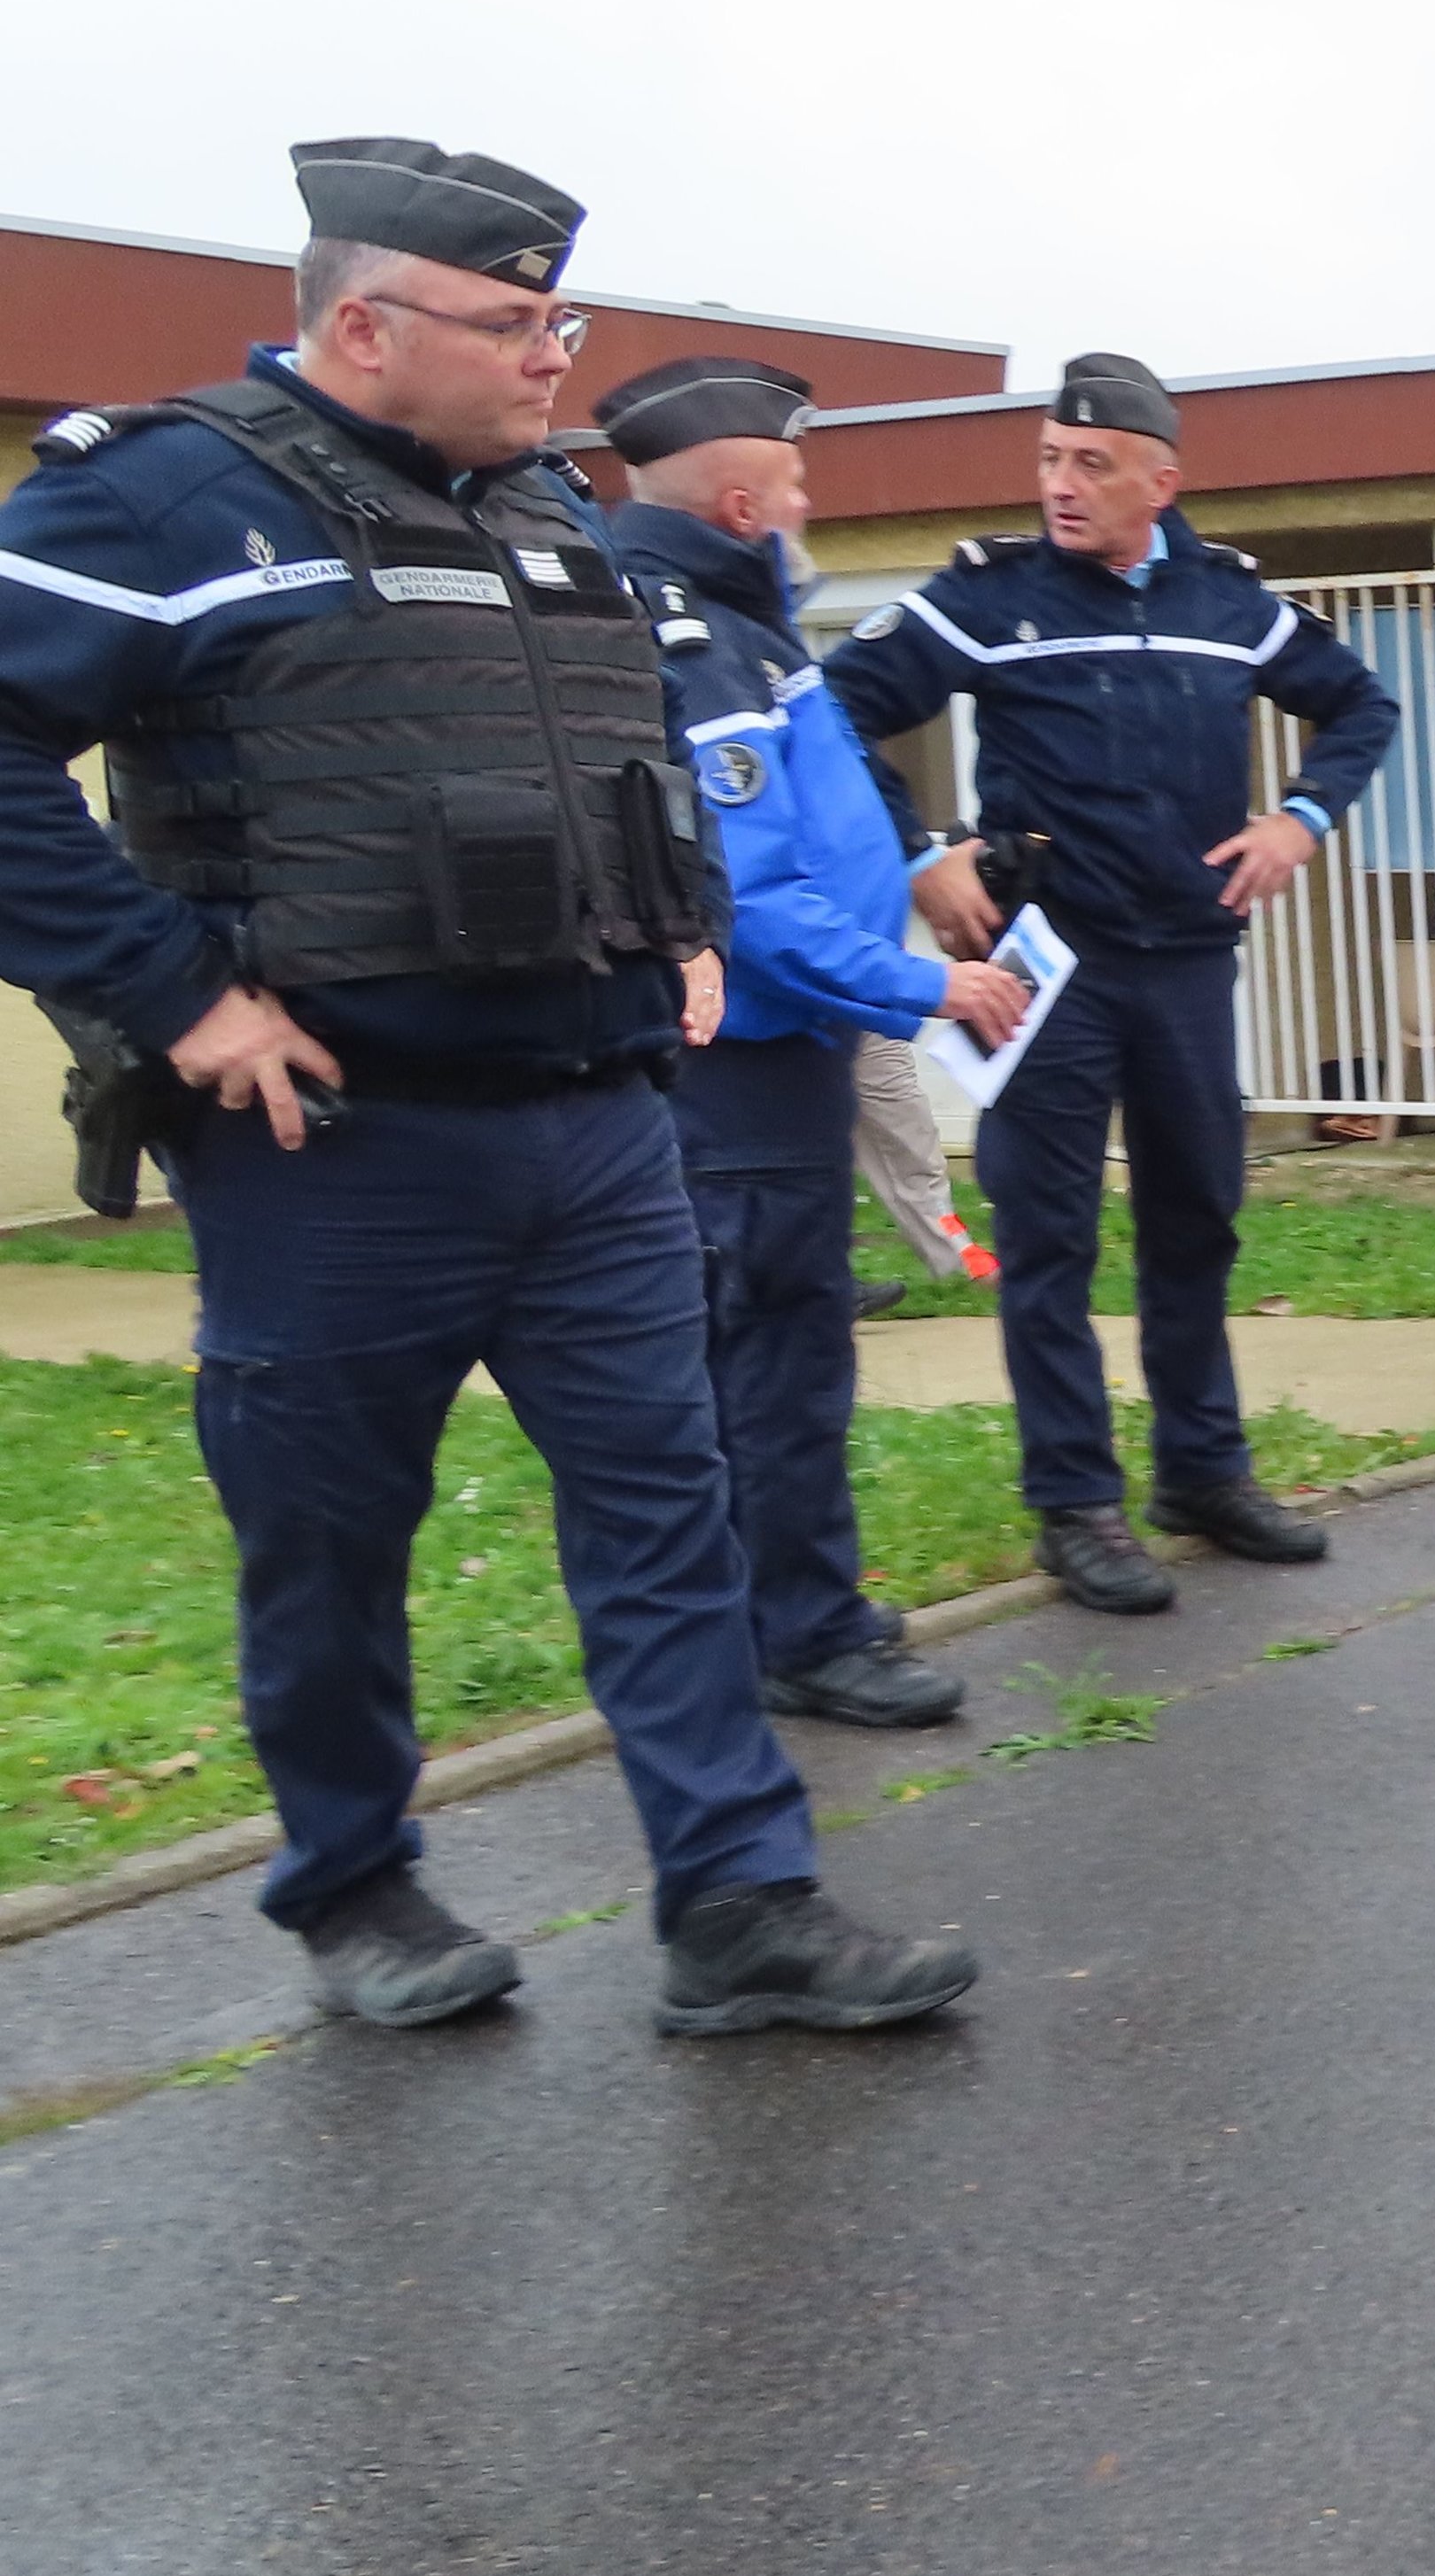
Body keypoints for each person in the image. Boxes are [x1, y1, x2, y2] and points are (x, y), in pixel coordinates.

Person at [0, 138, 975, 2035]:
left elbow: (637, 752)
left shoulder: (544, 515)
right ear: (362, 320)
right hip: (335, 1144)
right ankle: (356, 1888)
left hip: (603, 1119)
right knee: (331, 1538)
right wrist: (173, 991)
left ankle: (742, 1907)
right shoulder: (171, 497)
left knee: (669, 1514)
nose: (556, 360)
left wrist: (681, 919)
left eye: (562, 317)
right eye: (517, 321)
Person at [825, 354, 1401, 1616]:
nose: (1061, 485)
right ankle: (1074, 1503)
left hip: (1189, 960)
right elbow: (829, 710)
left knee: (1198, 1218)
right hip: (1048, 967)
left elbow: (1361, 703)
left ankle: (1202, 1469)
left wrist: (1301, 818)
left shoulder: (1226, 599)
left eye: (1090, 463)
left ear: (1161, 477)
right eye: (1047, 459)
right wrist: (921, 851)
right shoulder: (996, 595)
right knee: (1051, 1235)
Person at [590, 353, 1032, 1729]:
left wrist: (917, 864)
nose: (806, 509)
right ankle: (798, 1633)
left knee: (777, 1351)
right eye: (793, 485)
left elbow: (828, 822)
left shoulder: (738, 626)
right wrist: (922, 988)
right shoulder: (698, 642)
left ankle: (788, 1609)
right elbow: (749, 897)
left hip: (774, 1061)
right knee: (772, 1360)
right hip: (741, 1070)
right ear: (737, 503)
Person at [849, 1026, 998, 1288]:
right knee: (799, 1150)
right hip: (797, 1012)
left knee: (907, 1126)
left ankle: (958, 1258)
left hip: (870, 1011)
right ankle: (809, 1277)